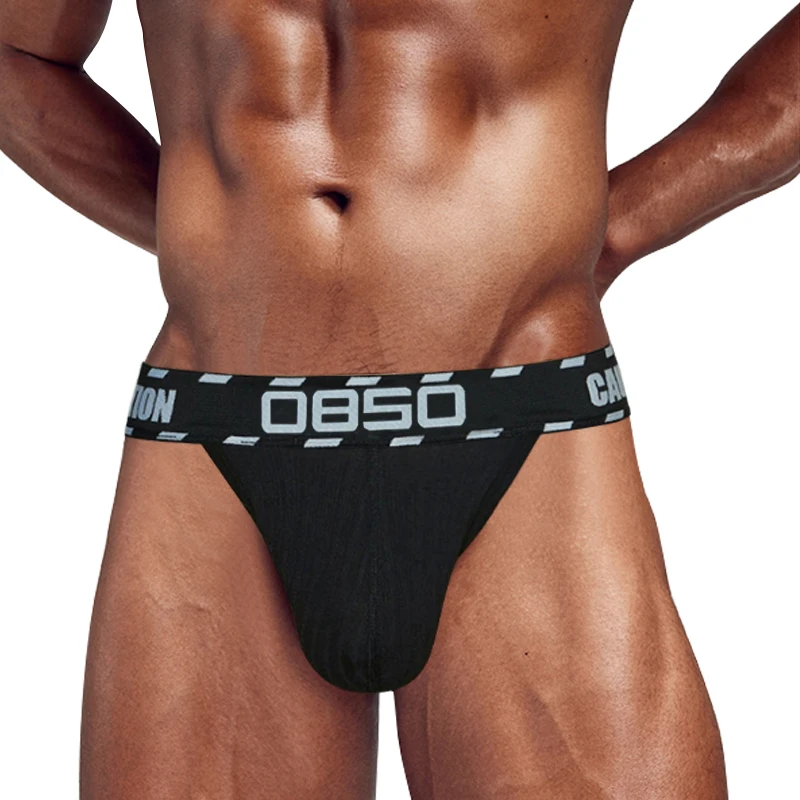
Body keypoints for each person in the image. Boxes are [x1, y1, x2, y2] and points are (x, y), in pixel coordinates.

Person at [0, 0, 797, 796]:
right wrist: (222, 247)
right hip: (214, 433)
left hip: (521, 415)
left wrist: (622, 221)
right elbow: (17, 56)